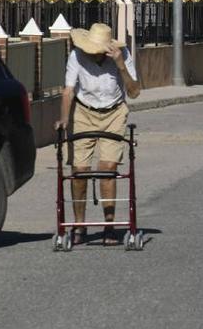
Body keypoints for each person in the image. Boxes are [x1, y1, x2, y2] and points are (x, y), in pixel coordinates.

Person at [55, 23, 141, 245]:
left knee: (107, 168)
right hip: (83, 112)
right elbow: (68, 90)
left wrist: (121, 65)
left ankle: (109, 226)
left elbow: (135, 92)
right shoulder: (77, 55)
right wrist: (64, 118)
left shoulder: (122, 55)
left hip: (114, 112)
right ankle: (79, 225)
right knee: (79, 169)